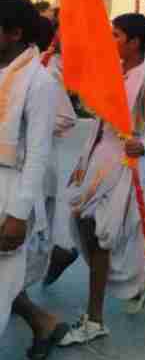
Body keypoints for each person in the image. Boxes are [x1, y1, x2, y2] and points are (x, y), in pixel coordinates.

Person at [59, 13, 145, 346]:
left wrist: (141, 144)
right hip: (93, 158)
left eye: (116, 35)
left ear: (134, 42)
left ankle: (95, 319)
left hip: (120, 165)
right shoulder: (114, 70)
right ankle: (134, 282)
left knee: (100, 236)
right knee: (88, 232)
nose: (111, 40)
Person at [0, 0, 68, 360]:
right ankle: (44, 323)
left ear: (13, 33)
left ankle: (45, 323)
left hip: (9, 192)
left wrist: (18, 213)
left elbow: (39, 152)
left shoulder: (39, 82)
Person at [32, 18, 81, 287]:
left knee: (31, 235)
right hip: (15, 162)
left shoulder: (46, 72)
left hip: (39, 164)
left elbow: (66, 117)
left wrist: (27, 123)